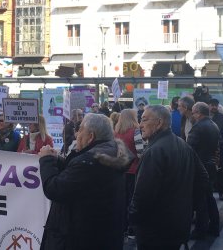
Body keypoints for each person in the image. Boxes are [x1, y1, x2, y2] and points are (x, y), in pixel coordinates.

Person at [38, 113, 132, 250]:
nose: (76, 135)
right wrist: (57, 160)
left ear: (91, 136)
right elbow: (77, 179)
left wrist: (46, 160)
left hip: (78, 238)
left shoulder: (88, 162)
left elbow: (54, 189)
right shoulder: (107, 155)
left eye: (80, 130)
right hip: (100, 236)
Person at [130, 105, 209, 249]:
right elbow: (203, 177)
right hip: (178, 224)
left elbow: (143, 195)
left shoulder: (154, 151)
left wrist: (133, 220)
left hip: (156, 228)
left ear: (159, 123)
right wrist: (187, 206)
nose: (140, 125)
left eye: (144, 120)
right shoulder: (183, 145)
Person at [187, 102, 221, 239]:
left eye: (194, 112)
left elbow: (189, 149)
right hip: (210, 165)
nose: (193, 115)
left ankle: (201, 230)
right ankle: (214, 226)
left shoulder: (198, 127)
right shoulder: (213, 125)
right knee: (208, 197)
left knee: (200, 199)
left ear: (199, 113)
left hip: (200, 166)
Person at [113, 109, 141, 238]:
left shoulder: (116, 133)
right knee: (132, 200)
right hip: (134, 170)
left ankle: (121, 226)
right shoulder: (136, 132)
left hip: (120, 170)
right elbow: (141, 153)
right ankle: (131, 228)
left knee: (121, 200)